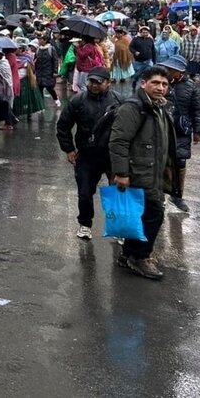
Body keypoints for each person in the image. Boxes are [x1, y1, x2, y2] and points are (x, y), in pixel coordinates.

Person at [110, 66, 179, 280]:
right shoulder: (134, 108)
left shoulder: (158, 107)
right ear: (143, 83)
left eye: (164, 84)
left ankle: (129, 254)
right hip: (139, 173)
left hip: (153, 172)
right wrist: (121, 173)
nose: (160, 88)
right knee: (153, 215)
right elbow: (118, 142)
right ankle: (141, 257)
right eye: (155, 83)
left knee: (139, 217)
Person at [56, 66, 121, 239]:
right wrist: (69, 149)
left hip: (113, 156)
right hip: (86, 155)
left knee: (117, 191)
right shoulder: (78, 100)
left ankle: (118, 228)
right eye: (91, 81)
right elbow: (63, 125)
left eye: (98, 82)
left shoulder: (118, 101)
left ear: (108, 83)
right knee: (85, 192)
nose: (93, 85)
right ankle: (85, 224)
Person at [156, 55, 200, 213]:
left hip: (181, 131)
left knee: (180, 162)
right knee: (161, 161)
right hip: (161, 128)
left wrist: (197, 130)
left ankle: (177, 196)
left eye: (172, 70)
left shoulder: (191, 87)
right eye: (167, 69)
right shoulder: (161, 83)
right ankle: (160, 194)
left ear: (180, 71)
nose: (168, 72)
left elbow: (196, 110)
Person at [13, 41, 45, 118]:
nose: (16, 50)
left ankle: (29, 112)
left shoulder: (28, 57)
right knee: (18, 98)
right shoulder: (14, 57)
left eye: (18, 48)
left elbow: (32, 68)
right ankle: (17, 112)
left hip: (26, 80)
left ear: (22, 49)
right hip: (17, 80)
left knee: (28, 98)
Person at [34, 35, 60, 106]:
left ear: (45, 40)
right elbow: (35, 60)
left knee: (49, 87)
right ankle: (41, 104)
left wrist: (55, 71)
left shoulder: (51, 49)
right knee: (40, 88)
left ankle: (56, 99)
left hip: (48, 72)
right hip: (39, 72)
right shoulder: (38, 49)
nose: (39, 41)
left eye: (41, 39)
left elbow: (55, 61)